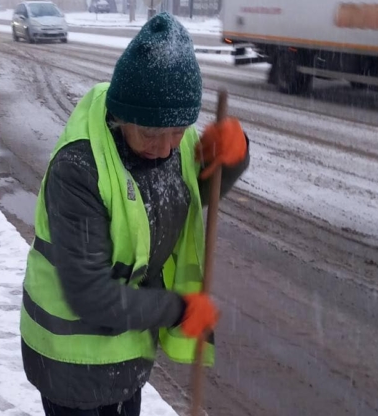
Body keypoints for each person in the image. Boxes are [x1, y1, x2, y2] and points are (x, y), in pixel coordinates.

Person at [19, 12, 250, 416]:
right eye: (148, 134)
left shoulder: (169, 135)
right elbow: (91, 297)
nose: (164, 149)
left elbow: (190, 193)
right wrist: (178, 308)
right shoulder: (79, 169)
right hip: (71, 362)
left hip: (127, 355)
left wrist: (233, 155)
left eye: (177, 132)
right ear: (122, 115)